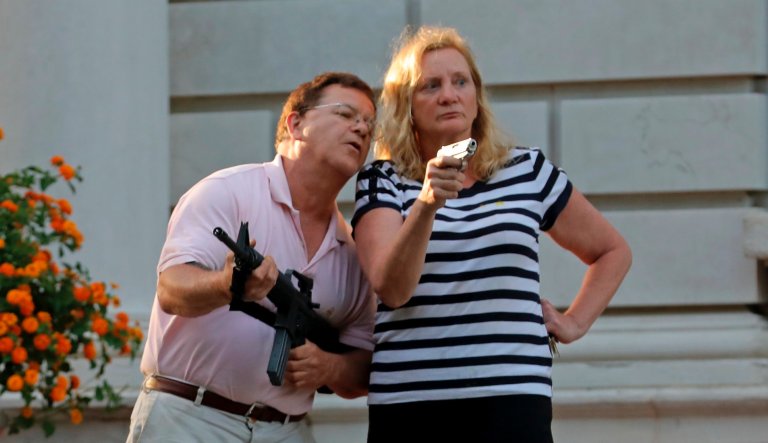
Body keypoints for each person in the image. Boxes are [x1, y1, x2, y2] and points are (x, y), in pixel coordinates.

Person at [352, 26, 632, 443]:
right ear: (406, 105)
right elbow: (392, 290)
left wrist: (573, 321)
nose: (449, 95)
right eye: (431, 86)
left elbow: (612, 250)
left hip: (513, 397)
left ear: (476, 97)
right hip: (412, 404)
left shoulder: (527, 171)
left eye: (459, 82)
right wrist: (427, 203)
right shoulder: (383, 180)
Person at [127, 72, 377, 443]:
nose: (361, 128)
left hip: (285, 429)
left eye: (369, 124)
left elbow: (364, 367)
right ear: (296, 123)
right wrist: (227, 284)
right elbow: (171, 288)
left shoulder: (353, 252)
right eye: (345, 114)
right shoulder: (227, 193)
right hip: (188, 419)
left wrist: (329, 367)